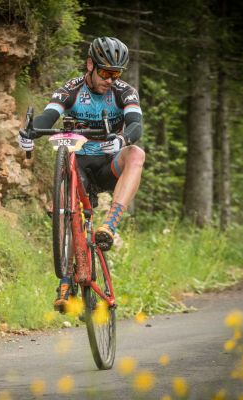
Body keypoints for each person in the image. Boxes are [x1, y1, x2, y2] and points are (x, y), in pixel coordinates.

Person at [17, 36, 145, 312]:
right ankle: (67, 277)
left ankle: (109, 225)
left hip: (108, 164)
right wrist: (29, 133)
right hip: (78, 164)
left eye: (116, 73)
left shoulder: (125, 91)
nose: (110, 79)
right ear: (90, 64)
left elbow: (135, 123)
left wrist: (122, 139)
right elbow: (48, 117)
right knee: (70, 204)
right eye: (104, 72)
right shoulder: (71, 89)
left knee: (137, 154)